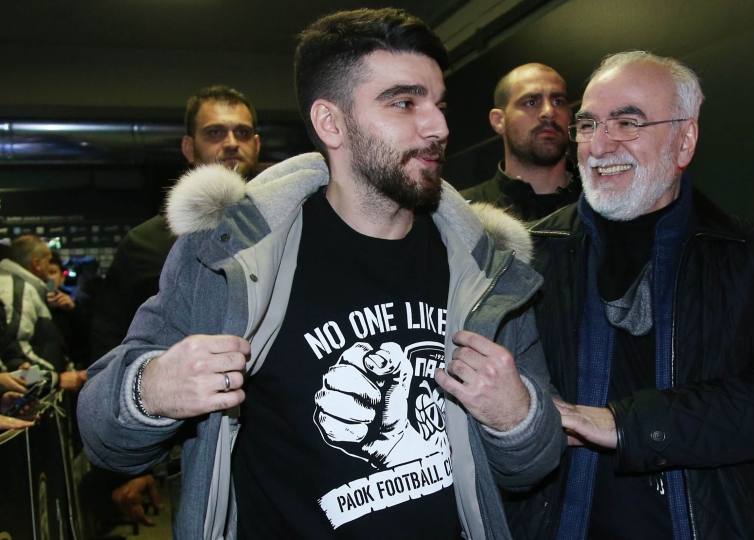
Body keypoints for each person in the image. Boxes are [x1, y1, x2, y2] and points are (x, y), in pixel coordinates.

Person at [78, 8, 563, 540]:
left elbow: (534, 466)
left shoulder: (485, 269)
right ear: (331, 123)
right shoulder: (232, 258)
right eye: (404, 103)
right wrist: (152, 389)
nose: (439, 127)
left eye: (438, 104)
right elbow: (103, 437)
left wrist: (516, 418)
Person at [508, 51, 754, 540]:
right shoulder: (530, 257)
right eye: (589, 125)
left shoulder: (753, 255)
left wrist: (627, 425)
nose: (599, 145)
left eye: (627, 123)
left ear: (685, 141)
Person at [90, 85, 262, 360]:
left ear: (256, 145)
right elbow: (109, 343)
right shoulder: (144, 244)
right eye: (214, 132)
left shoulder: (289, 226)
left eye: (242, 132)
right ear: (189, 148)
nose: (231, 142)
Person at [461, 63, 581, 221]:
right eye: (531, 102)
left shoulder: (601, 201)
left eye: (558, 102)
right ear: (498, 121)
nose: (549, 112)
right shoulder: (464, 212)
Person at [0, 236, 86, 390]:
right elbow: (14, 357)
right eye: (48, 260)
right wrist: (56, 379)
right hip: (32, 391)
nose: (49, 266)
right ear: (36, 264)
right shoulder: (19, 290)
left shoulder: (24, 287)